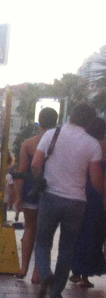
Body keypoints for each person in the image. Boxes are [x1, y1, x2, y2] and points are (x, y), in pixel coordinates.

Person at [32, 102, 106, 298]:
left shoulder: (51, 135)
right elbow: (96, 179)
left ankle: (46, 274)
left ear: (71, 115)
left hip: (50, 197)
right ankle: (56, 293)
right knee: (67, 247)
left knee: (42, 242)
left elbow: (36, 164)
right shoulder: (92, 145)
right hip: (76, 202)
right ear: (89, 122)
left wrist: (41, 180)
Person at [15, 108, 59, 280]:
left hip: (31, 190)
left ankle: (23, 268)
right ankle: (38, 272)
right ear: (56, 121)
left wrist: (18, 196)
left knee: (30, 228)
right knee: (46, 233)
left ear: (39, 121)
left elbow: (21, 171)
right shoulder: (60, 142)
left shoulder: (28, 143)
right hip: (52, 190)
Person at [69, 114, 106, 287]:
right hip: (98, 193)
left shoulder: (85, 144)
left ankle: (75, 271)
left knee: (77, 231)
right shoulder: (103, 147)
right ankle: (85, 275)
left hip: (80, 189)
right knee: (93, 234)